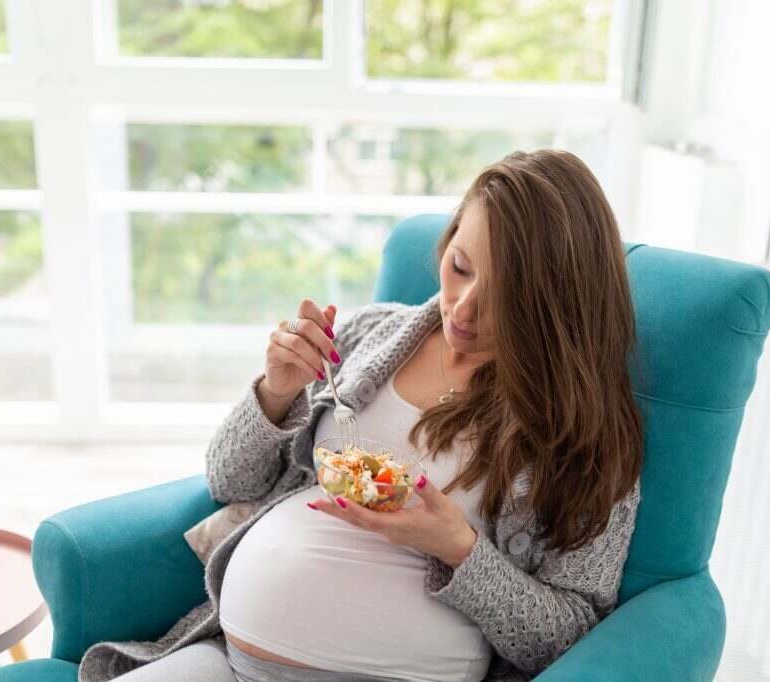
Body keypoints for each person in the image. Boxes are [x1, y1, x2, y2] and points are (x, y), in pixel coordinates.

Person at [79, 149, 645, 682]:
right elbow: (229, 480)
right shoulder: (369, 335)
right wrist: (275, 393)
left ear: (554, 304)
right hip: (230, 659)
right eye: (460, 266)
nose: (464, 308)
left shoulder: (585, 436)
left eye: (505, 297)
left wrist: (460, 548)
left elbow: (567, 638)